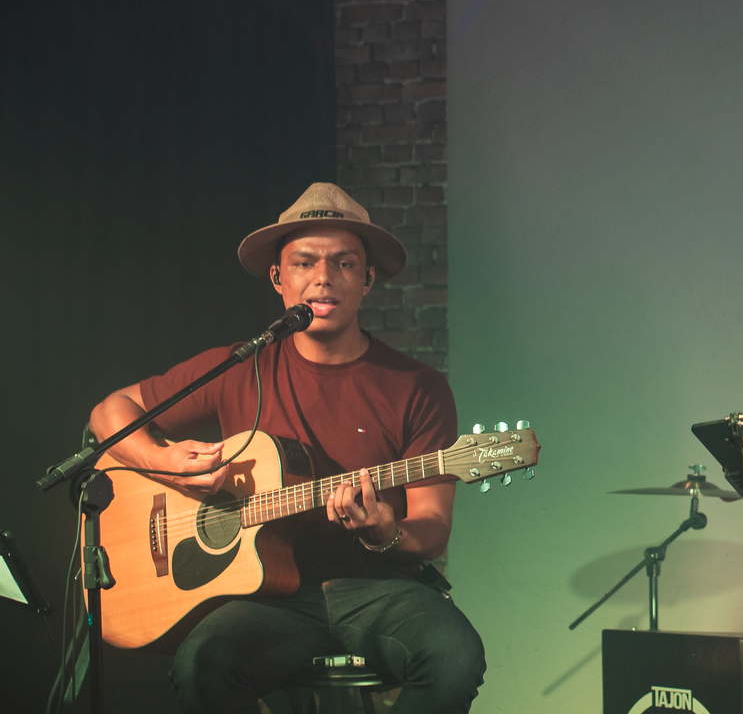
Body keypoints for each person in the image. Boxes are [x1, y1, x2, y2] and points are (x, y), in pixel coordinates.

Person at [89, 183, 486, 714]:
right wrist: (166, 463)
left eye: (344, 263)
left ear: (367, 280)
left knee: (454, 656)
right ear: (279, 279)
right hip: (267, 600)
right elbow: (110, 412)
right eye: (304, 262)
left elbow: (433, 528)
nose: (323, 277)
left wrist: (385, 531)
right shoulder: (239, 367)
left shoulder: (418, 387)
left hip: (380, 592)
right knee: (201, 663)